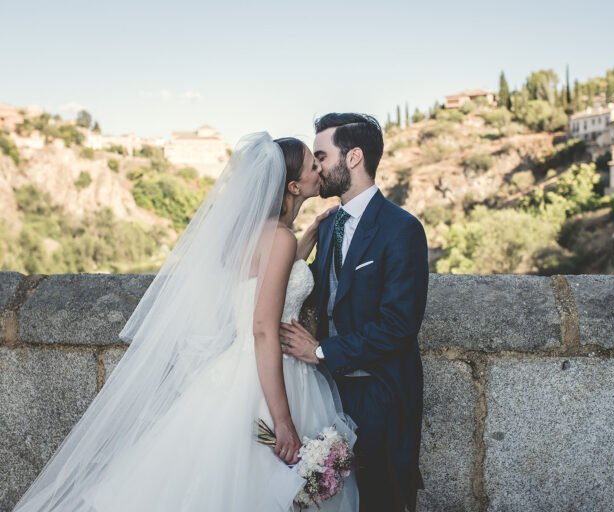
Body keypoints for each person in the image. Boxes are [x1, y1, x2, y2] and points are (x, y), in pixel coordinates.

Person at [13, 132, 358, 511]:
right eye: (312, 165)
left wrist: (307, 237)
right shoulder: (279, 239)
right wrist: (283, 422)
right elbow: (262, 329)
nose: (319, 170)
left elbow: (269, 281)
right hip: (272, 373)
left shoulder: (250, 238)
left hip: (234, 370)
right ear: (293, 186)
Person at [280, 113, 429, 512]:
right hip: (327, 396)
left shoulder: (402, 228)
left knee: (380, 498)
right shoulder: (329, 225)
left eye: (322, 156)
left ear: (353, 158)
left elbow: (398, 325)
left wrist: (320, 351)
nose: (316, 168)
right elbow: (311, 288)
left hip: (379, 395)